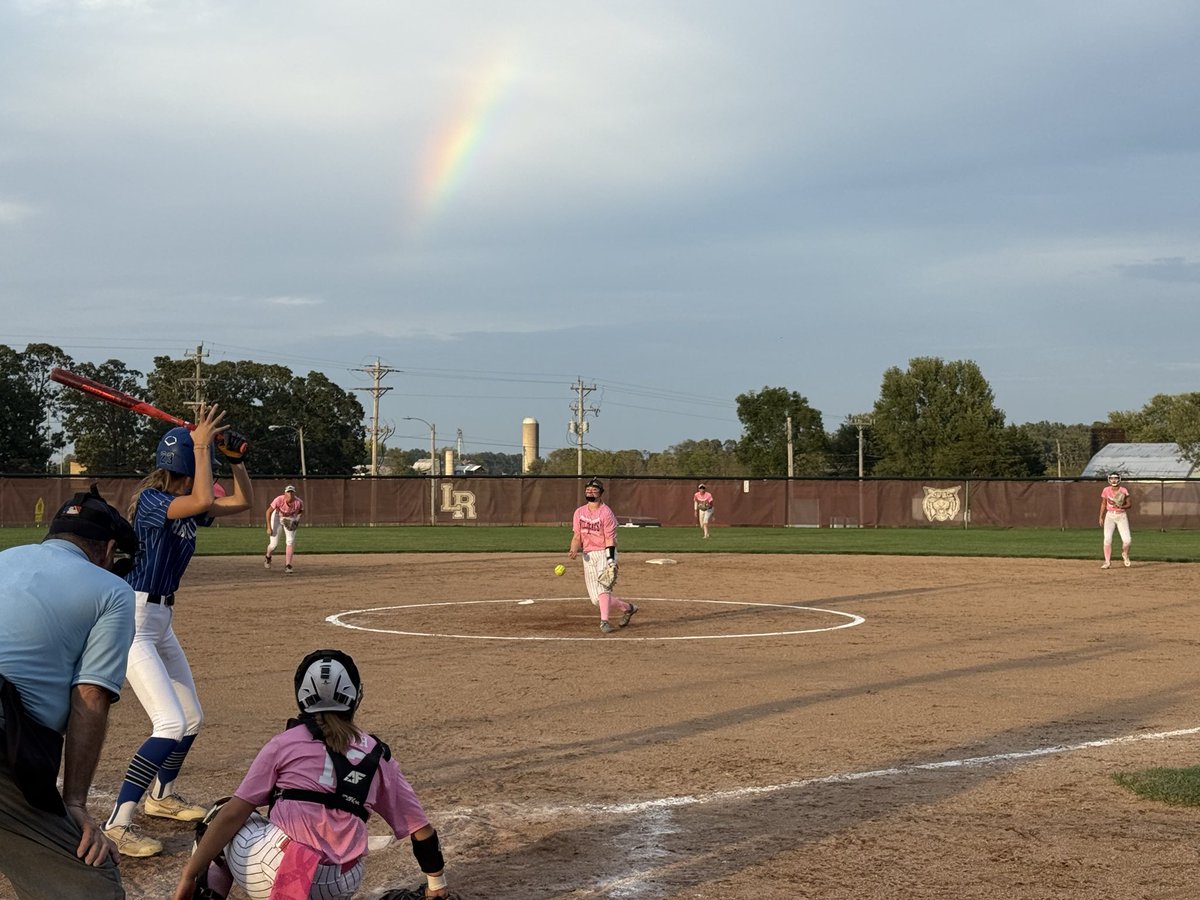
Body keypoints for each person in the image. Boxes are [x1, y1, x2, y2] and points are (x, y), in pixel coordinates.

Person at [171, 649, 451, 900]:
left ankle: (205, 894)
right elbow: (421, 828)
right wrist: (436, 885)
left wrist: (188, 875)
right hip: (341, 881)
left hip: (276, 869)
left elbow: (233, 814)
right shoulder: (377, 754)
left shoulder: (285, 743)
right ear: (356, 696)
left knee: (220, 813)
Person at [104, 404, 253, 858]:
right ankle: (118, 821)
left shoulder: (185, 503)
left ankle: (161, 796)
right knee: (168, 723)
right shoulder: (153, 502)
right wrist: (205, 444)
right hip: (134, 621)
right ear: (187, 467)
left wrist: (235, 459)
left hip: (160, 621)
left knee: (191, 718)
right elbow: (205, 499)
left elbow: (243, 502)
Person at [0, 486, 138, 899]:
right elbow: (90, 698)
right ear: (107, 549)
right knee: (93, 890)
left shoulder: (4, 558)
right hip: (6, 741)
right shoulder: (112, 591)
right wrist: (74, 802)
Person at [568, 478, 637, 634]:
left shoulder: (606, 513)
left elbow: (609, 539)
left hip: (604, 552)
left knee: (604, 587)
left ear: (600, 493)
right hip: (587, 555)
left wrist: (611, 560)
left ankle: (604, 622)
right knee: (596, 600)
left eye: (594, 490)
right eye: (588, 490)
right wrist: (573, 549)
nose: (590, 492)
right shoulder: (579, 512)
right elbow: (577, 535)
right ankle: (629, 608)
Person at [264, 485, 304, 574]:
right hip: (277, 517)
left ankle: (288, 565)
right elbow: (268, 511)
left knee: (290, 541)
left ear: (294, 494)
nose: (290, 493)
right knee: (274, 545)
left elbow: (301, 510)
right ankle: (268, 557)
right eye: (288, 492)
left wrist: (297, 519)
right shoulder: (279, 499)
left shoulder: (298, 502)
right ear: (285, 493)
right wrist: (268, 527)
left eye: (292, 492)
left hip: (289, 518)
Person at [1098, 471, 1132, 569]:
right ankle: (1107, 562)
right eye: (1112, 478)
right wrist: (1101, 516)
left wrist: (1121, 505)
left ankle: (1125, 554)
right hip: (1110, 516)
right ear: (1109, 479)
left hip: (1121, 515)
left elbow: (1129, 504)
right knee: (1107, 539)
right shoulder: (1106, 490)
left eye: (1116, 478)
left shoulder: (1123, 490)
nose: (1114, 480)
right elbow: (1103, 503)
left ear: (1119, 479)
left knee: (1127, 541)